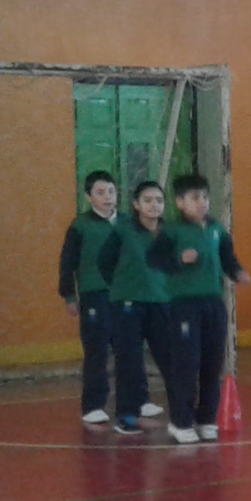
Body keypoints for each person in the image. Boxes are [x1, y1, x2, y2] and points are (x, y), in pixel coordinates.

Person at [150, 174, 251, 444]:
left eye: (205, 197)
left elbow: (228, 258)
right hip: (184, 304)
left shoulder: (216, 229)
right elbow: (155, 260)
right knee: (187, 363)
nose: (202, 202)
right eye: (195, 198)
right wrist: (178, 259)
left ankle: (206, 419)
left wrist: (237, 272)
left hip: (213, 303)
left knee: (212, 362)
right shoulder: (171, 230)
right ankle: (180, 422)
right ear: (180, 202)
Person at [95, 181, 174, 437]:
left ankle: (182, 414)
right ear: (137, 205)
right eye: (148, 200)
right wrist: (123, 286)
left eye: (159, 200)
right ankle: (126, 417)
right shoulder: (124, 230)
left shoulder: (170, 232)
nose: (154, 205)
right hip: (128, 305)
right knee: (129, 360)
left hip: (161, 303)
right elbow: (104, 261)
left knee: (171, 358)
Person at [57, 170, 123, 426]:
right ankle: (93, 405)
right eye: (100, 192)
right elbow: (67, 262)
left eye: (111, 191)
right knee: (97, 350)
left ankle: (134, 400)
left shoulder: (128, 223)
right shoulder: (80, 226)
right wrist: (69, 296)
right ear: (88, 197)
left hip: (125, 295)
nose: (107, 197)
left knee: (128, 349)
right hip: (94, 294)